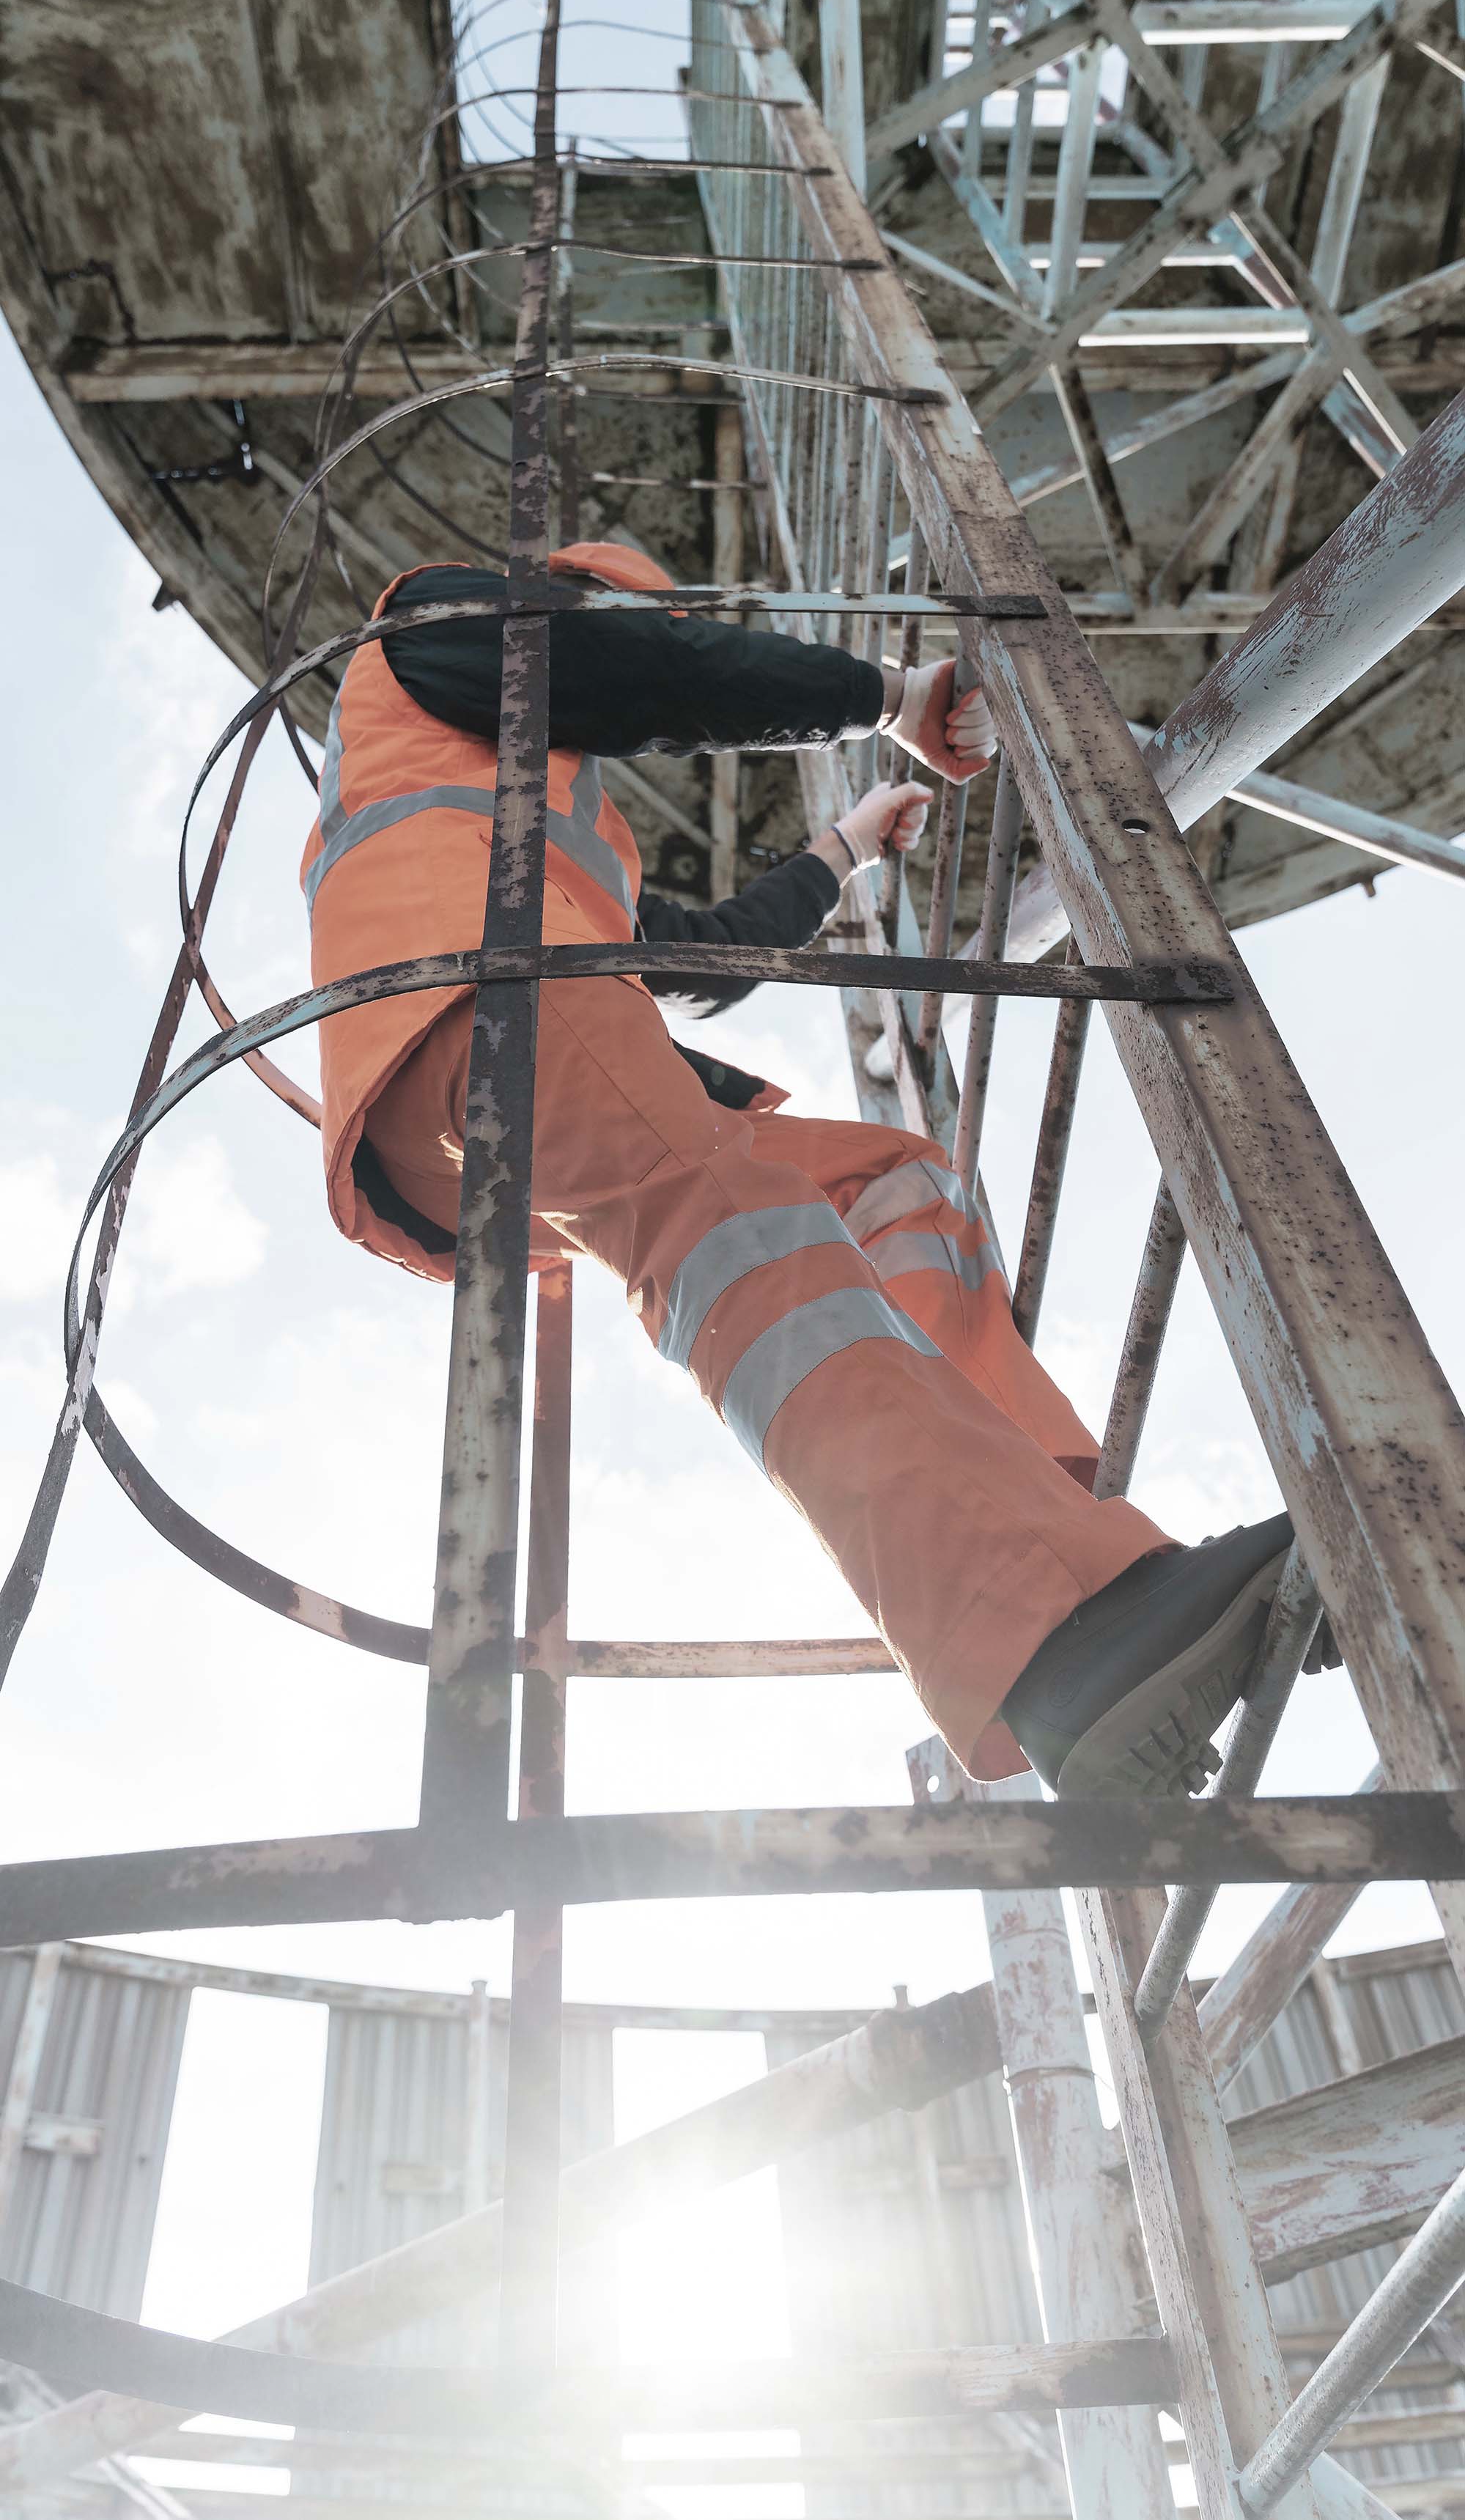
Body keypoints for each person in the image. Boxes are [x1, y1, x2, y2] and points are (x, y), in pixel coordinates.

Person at [302, 539, 1294, 1797]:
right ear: (568, 593)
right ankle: (1051, 1641)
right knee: (741, 1237)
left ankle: (1076, 1561)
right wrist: (891, 700)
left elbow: (698, 959)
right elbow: (657, 670)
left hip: (487, 1048)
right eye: (619, 615)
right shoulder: (435, 628)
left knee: (892, 1182)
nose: (631, 634)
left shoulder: (515, 799)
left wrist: (851, 847)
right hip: (475, 1003)